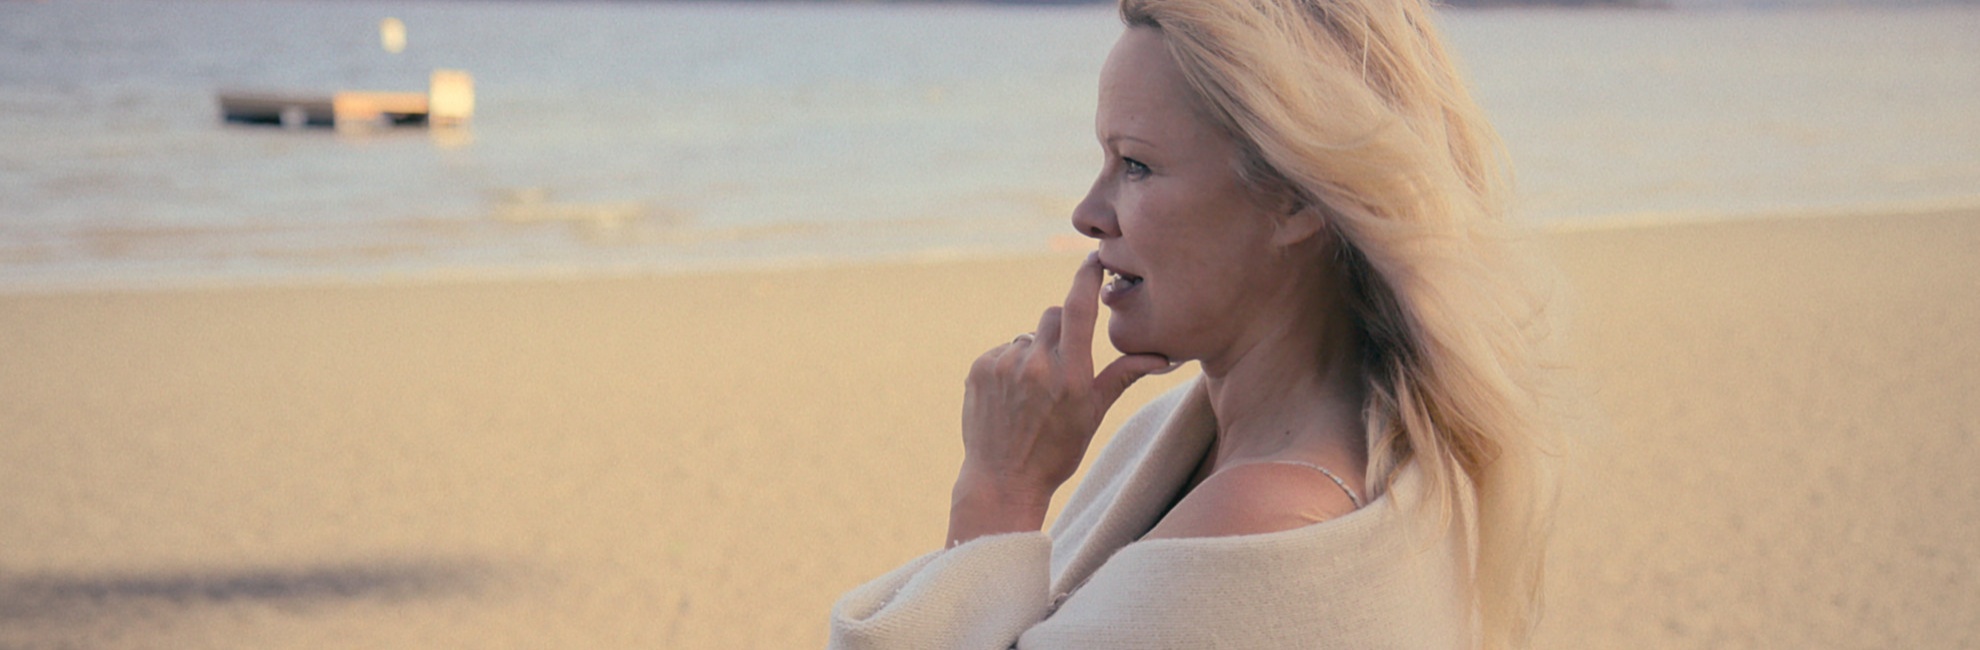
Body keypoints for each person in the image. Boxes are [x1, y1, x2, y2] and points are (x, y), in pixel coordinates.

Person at [830, 0, 1559, 647]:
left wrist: (999, 488)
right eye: (1104, 159)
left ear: (1295, 200)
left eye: (1136, 166)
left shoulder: (1261, 530)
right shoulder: (1341, 441)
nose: (1088, 213)